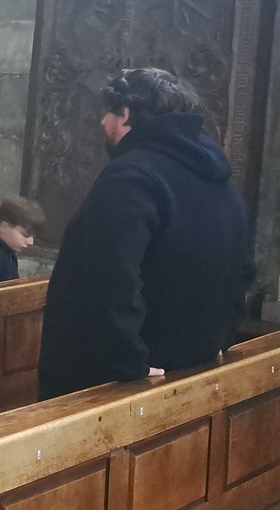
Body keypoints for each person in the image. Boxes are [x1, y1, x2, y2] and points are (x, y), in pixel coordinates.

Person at [38, 68, 253, 400]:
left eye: (109, 112)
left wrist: (127, 362)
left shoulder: (131, 177)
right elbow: (241, 269)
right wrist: (219, 342)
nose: (103, 122)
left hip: (118, 385)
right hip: (194, 368)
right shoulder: (219, 179)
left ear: (126, 114)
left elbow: (108, 278)